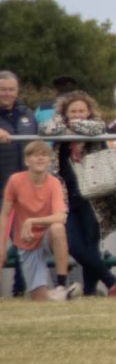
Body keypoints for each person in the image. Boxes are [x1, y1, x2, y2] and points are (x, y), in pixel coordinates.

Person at [39, 91, 116, 295]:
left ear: (89, 111)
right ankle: (112, 281)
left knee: (90, 245)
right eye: (73, 111)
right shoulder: (59, 126)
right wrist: (63, 123)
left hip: (94, 196)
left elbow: (94, 128)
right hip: (67, 196)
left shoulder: (96, 125)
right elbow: (45, 129)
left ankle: (90, 291)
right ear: (65, 113)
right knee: (74, 246)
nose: (77, 114)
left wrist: (69, 126)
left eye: (81, 111)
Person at [1, 141, 79, 300]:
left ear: (50, 161)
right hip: (26, 240)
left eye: (44, 155)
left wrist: (31, 221)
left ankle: (61, 285)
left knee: (57, 228)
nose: (40, 159)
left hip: (46, 236)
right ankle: (61, 296)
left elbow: (61, 216)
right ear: (26, 161)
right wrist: (1, 246)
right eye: (35, 155)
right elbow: (5, 214)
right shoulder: (15, 181)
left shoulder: (54, 183)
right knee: (39, 299)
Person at [0, 70, 37, 296]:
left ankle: (19, 292)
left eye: (11, 89)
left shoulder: (28, 114)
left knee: (24, 241)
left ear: (17, 90)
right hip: (0, 188)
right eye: (2, 89)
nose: (7, 93)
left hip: (23, 190)